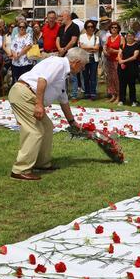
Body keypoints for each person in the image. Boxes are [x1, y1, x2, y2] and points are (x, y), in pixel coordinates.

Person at [8, 48, 88, 181]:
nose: (83, 69)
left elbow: (64, 100)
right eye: (83, 66)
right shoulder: (58, 63)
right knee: (34, 131)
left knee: (47, 127)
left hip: (29, 95)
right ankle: (20, 169)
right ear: (77, 62)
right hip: (25, 95)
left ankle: (42, 163)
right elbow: (42, 80)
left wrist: (72, 122)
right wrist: (39, 104)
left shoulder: (64, 72)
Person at [56, 10, 81, 99]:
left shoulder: (75, 27)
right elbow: (57, 39)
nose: (60, 18)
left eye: (62, 16)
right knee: (62, 75)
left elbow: (73, 40)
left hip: (71, 53)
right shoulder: (61, 27)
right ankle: (63, 93)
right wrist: (59, 49)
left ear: (68, 16)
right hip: (62, 52)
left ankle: (74, 94)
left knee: (72, 74)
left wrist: (65, 49)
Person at [7, 18, 35, 86]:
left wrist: (18, 55)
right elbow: (12, 47)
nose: (21, 28)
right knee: (16, 79)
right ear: (18, 28)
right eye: (20, 27)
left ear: (26, 28)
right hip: (15, 62)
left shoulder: (28, 36)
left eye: (23, 27)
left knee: (24, 80)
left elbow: (28, 46)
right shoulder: (16, 36)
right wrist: (14, 55)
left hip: (25, 62)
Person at [78, 20, 101, 100]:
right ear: (86, 28)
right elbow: (81, 47)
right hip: (84, 59)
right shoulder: (82, 36)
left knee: (93, 77)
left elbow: (97, 48)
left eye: (92, 26)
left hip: (94, 58)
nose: (90, 28)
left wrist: (87, 47)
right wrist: (91, 48)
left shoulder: (96, 37)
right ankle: (87, 92)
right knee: (85, 76)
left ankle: (93, 93)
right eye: (88, 27)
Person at [118, 31, 139, 106]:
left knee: (131, 85)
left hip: (132, 67)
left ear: (134, 37)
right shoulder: (122, 45)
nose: (129, 37)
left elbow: (134, 57)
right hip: (122, 67)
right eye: (128, 36)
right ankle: (121, 100)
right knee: (122, 84)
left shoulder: (136, 45)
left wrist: (124, 61)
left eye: (131, 36)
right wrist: (120, 61)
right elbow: (119, 54)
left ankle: (133, 101)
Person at [103, 22, 123, 104]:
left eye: (115, 27)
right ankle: (113, 95)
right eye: (112, 27)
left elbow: (122, 50)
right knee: (110, 78)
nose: (114, 29)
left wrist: (114, 51)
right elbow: (105, 46)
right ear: (110, 29)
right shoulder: (108, 38)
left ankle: (119, 96)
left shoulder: (121, 38)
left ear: (118, 29)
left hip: (116, 61)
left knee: (117, 79)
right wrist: (105, 51)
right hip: (109, 60)